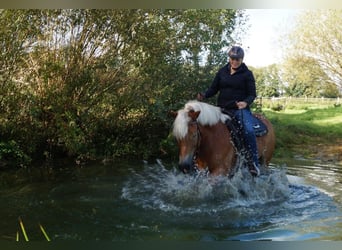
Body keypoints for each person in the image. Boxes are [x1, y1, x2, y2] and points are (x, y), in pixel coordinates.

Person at [197, 45, 260, 177]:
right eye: (233, 58)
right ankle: (198, 160)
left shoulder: (247, 74)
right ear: (229, 58)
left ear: (242, 59)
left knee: (248, 130)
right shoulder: (222, 72)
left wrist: (245, 102)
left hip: (238, 109)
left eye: (238, 59)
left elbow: (252, 94)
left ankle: (253, 163)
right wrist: (204, 94)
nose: (235, 61)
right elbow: (213, 89)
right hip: (222, 108)